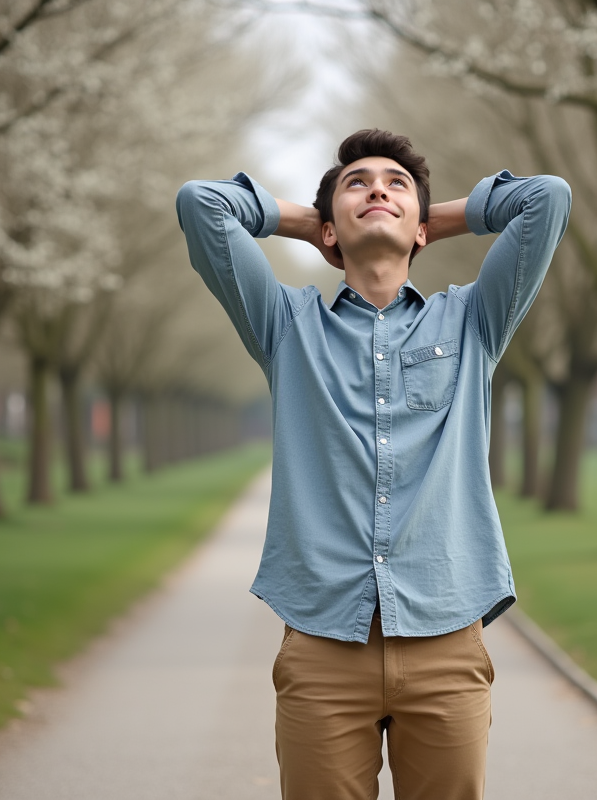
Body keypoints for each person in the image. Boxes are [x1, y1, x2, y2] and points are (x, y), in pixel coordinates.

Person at [176, 129, 570, 800]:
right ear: (329, 231)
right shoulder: (286, 326)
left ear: (423, 226)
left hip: (447, 635)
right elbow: (199, 204)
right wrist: (306, 221)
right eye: (356, 183)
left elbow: (548, 199)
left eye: (397, 184)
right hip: (323, 643)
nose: (378, 190)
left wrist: (438, 219)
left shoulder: (473, 321)